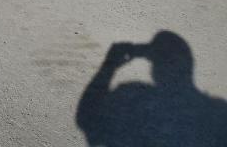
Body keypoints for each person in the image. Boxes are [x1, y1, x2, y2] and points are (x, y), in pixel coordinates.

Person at [77, 31, 227, 146]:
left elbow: (86, 118)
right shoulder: (218, 113)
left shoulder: (132, 97)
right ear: (189, 66)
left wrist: (109, 66)